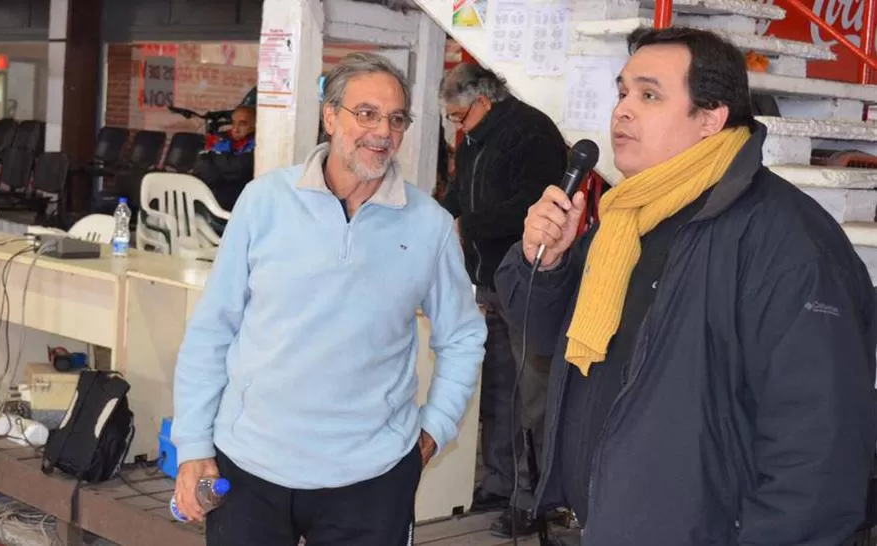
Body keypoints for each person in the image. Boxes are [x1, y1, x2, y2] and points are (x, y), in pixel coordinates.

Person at [495, 26, 877, 545]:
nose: (622, 110)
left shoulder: (788, 242)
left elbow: (819, 447)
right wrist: (548, 262)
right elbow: (543, 338)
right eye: (623, 92)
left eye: (649, 95)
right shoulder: (627, 220)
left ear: (711, 118)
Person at [171, 52, 487, 546]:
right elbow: (213, 329)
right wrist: (192, 446)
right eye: (366, 114)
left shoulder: (429, 226)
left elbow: (464, 336)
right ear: (330, 115)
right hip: (250, 467)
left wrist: (434, 430)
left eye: (395, 118)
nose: (382, 131)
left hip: (371, 480)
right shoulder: (264, 202)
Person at [439, 62, 569, 537]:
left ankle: (534, 498)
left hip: (528, 283)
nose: (457, 126)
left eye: (459, 116)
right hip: (490, 281)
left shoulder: (530, 133)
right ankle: (496, 486)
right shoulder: (477, 139)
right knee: (496, 391)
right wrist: (437, 219)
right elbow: (460, 194)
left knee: (527, 394)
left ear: (484, 101)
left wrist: (467, 227)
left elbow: (531, 207)